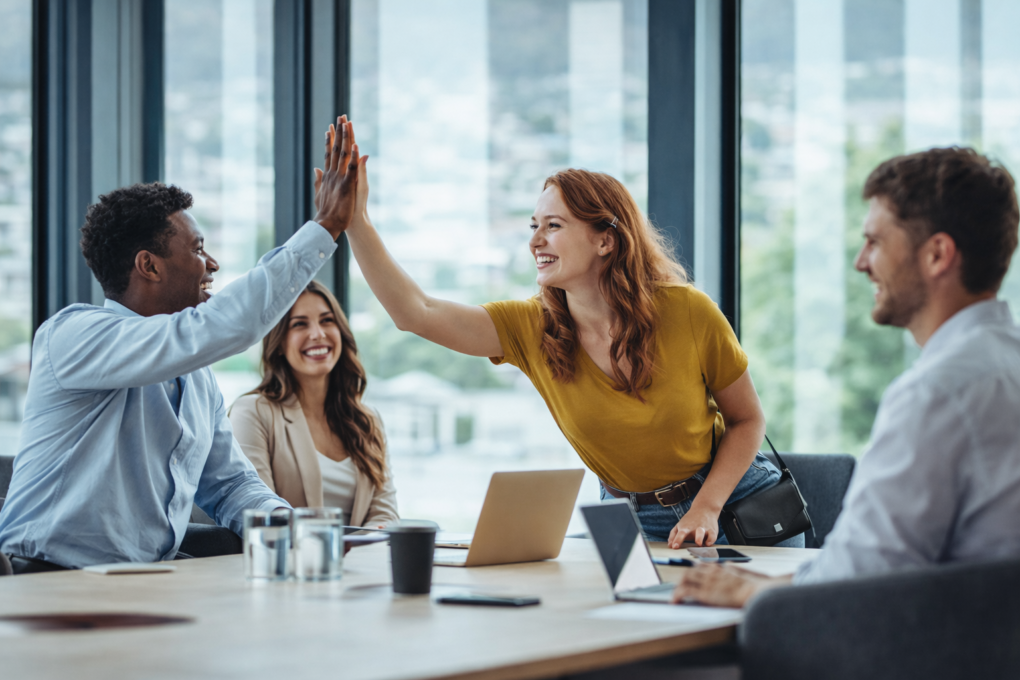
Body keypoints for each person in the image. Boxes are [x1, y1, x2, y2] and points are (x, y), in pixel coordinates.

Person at [342, 151, 801, 548]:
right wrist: (356, 222)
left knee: (747, 640)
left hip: (733, 504)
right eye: (533, 226)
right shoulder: (529, 328)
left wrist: (707, 507)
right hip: (630, 520)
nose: (535, 240)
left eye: (554, 226)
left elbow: (748, 419)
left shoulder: (688, 311)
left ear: (605, 240)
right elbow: (415, 312)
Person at [0, 116, 361, 571]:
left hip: (146, 586)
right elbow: (220, 327)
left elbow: (229, 485)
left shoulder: (195, 375)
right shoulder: (71, 337)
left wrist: (289, 521)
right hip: (45, 583)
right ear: (149, 266)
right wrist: (325, 225)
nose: (211, 263)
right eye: (197, 249)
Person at [674, 147, 1020, 607]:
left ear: (937, 254)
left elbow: (860, 578)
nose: (861, 262)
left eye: (875, 242)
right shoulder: (1003, 365)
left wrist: (751, 595)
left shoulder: (936, 393)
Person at [229, 281, 398, 528]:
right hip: (288, 563)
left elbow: (386, 516)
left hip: (361, 562)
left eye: (327, 320)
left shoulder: (367, 420)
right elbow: (258, 513)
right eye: (299, 324)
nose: (318, 333)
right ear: (278, 343)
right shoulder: (253, 412)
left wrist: (353, 551)